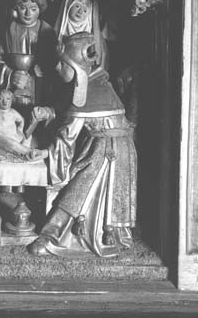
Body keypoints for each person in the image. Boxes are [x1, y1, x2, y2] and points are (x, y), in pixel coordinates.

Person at [27, 32, 137, 258]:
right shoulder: (97, 84)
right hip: (120, 149)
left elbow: (68, 135)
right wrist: (49, 112)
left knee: (78, 191)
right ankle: (110, 235)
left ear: (77, 68)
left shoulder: (90, 91)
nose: (57, 67)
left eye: (63, 63)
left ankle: (53, 237)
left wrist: (46, 153)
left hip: (105, 151)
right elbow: (72, 115)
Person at [0, 0, 57, 110]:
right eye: (23, 8)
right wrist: (10, 75)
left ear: (39, 10)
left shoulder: (46, 30)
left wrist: (41, 71)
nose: (28, 14)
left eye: (33, 9)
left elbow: (55, 64)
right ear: (16, 10)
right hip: (14, 90)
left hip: (39, 87)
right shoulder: (9, 30)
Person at [54, 0, 108, 70]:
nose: (80, 11)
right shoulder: (57, 33)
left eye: (85, 10)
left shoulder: (95, 38)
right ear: (69, 6)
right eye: (77, 6)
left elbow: (99, 62)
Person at [0, 89, 47, 161]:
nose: (5, 101)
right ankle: (27, 152)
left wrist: (20, 130)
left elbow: (21, 120)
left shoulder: (13, 112)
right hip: (3, 137)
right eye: (1, 99)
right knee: (12, 143)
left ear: (11, 100)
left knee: (28, 136)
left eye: (8, 99)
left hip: (15, 135)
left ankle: (24, 149)